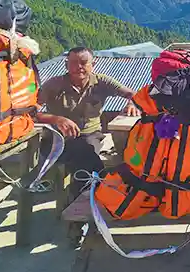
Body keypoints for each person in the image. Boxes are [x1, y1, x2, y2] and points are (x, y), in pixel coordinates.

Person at [36, 46, 139, 187]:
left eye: (83, 62)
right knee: (85, 158)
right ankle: (86, 193)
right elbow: (30, 111)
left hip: (90, 135)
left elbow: (133, 95)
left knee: (87, 152)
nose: (78, 67)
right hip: (58, 138)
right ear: (66, 65)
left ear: (93, 65)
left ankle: (80, 194)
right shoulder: (53, 85)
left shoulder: (102, 82)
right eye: (73, 63)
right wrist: (56, 119)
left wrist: (131, 104)